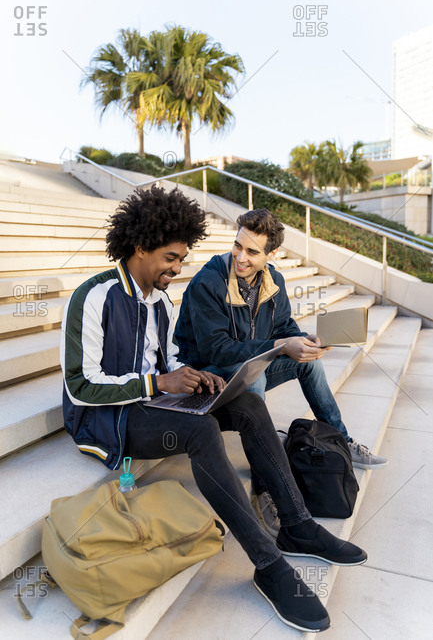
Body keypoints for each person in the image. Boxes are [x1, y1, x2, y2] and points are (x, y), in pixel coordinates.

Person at [61, 186, 367, 634]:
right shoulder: (94, 297)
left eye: (182, 258)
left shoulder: (162, 301)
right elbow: (80, 386)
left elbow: (168, 363)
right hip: (110, 419)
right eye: (170, 258)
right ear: (141, 248)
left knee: (245, 403)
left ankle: (298, 525)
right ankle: (269, 565)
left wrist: (196, 378)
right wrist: (157, 382)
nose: (178, 269)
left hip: (153, 402)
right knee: (200, 434)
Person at [175, 208, 388, 536]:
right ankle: (265, 485)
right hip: (207, 375)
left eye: (251, 252)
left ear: (271, 254)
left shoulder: (274, 280)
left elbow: (284, 326)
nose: (240, 257)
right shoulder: (209, 281)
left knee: (308, 362)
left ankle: (340, 442)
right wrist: (279, 344)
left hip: (247, 362)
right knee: (255, 376)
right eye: (237, 246)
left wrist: (306, 341)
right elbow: (213, 350)